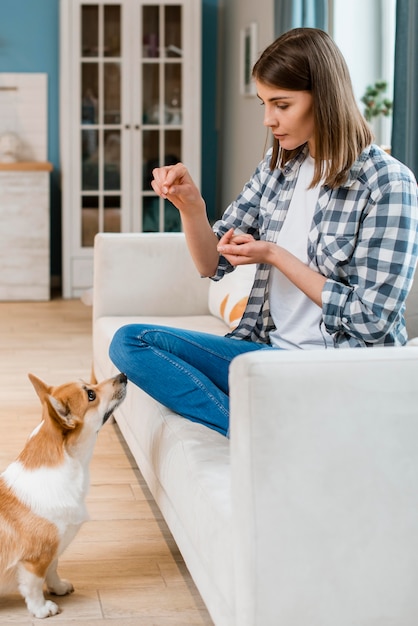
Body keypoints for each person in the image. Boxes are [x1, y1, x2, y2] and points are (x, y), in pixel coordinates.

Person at [109, 27, 418, 437]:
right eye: (264, 103)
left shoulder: (388, 184)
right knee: (130, 342)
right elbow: (210, 264)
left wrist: (275, 255)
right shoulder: (279, 168)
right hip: (267, 356)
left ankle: (270, 427)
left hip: (336, 370)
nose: (268, 119)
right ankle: (261, 431)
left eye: (281, 104)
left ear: (323, 97)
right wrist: (191, 206)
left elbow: (373, 320)